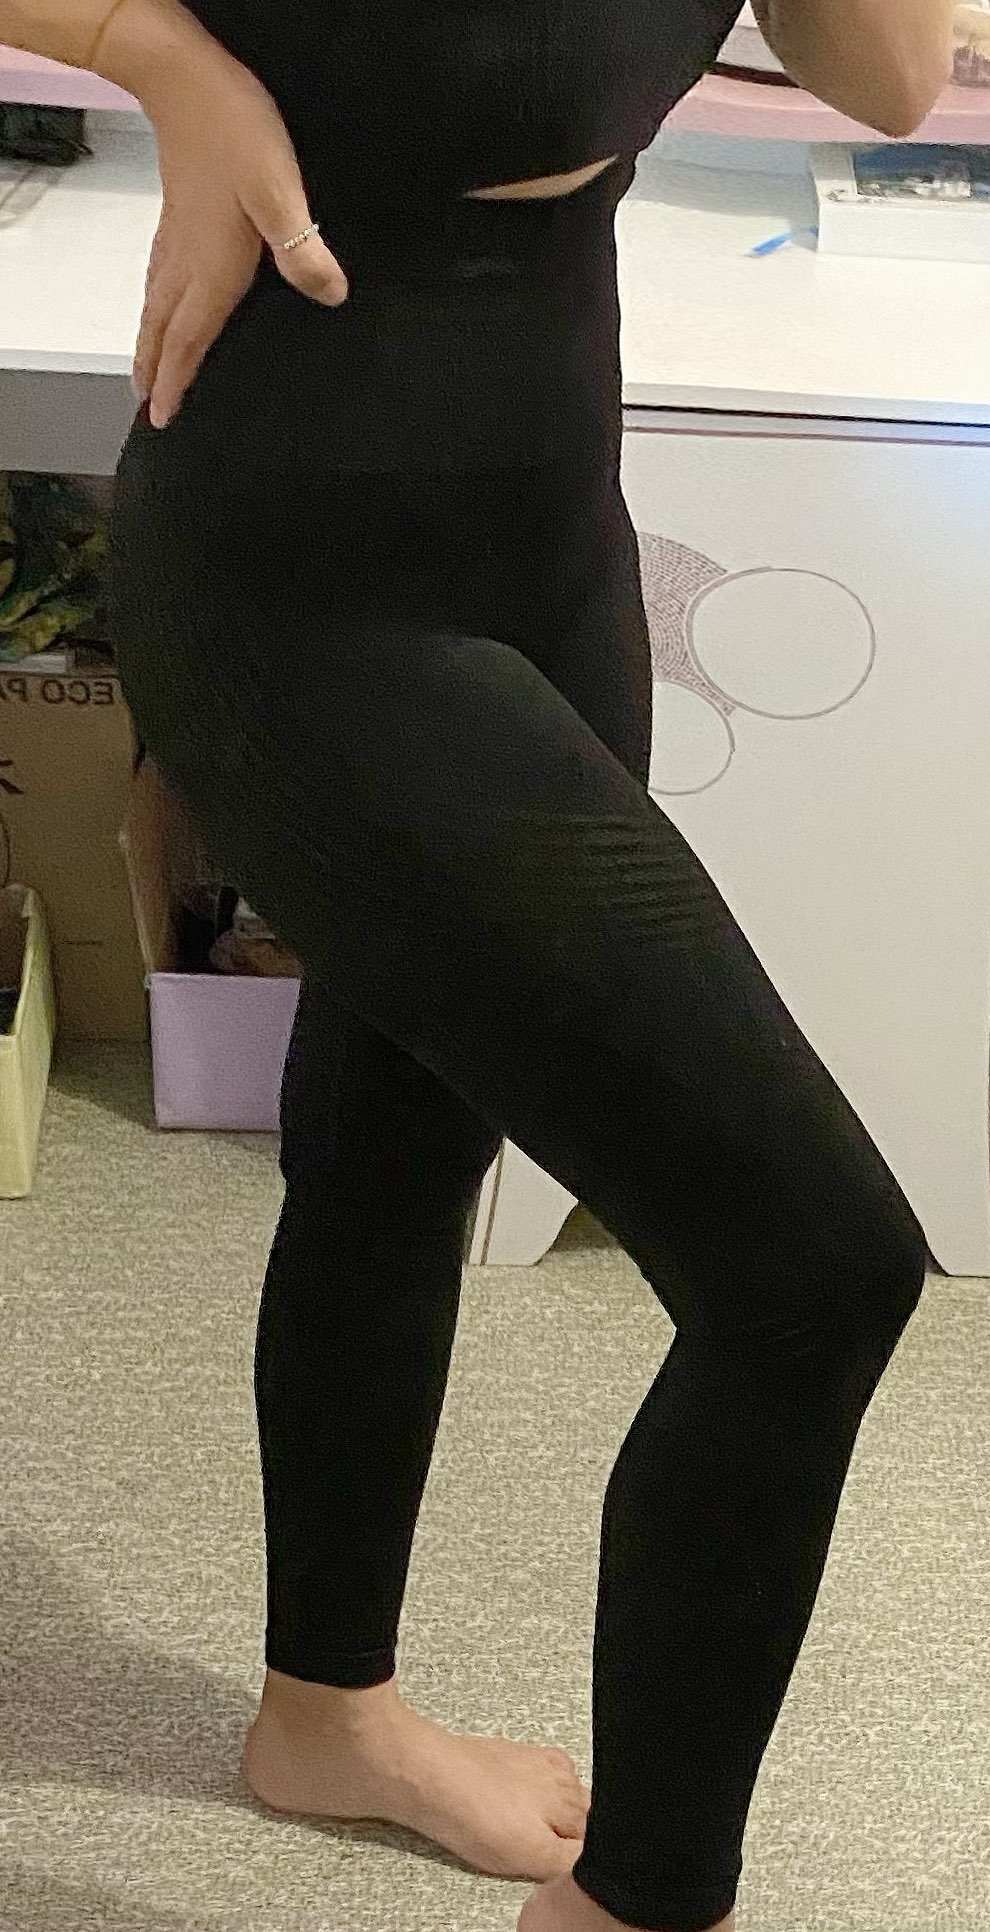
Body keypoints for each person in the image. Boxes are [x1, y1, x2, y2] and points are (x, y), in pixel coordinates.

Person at [5, 2, 954, 1928]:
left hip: (542, 518)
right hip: (294, 564)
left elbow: (887, 80)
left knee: (399, 1130)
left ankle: (321, 1716)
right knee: (808, 1269)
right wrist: (153, 52)